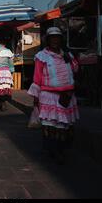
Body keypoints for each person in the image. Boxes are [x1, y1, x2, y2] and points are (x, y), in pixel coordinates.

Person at [28, 27, 79, 164]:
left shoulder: (67, 55)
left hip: (67, 96)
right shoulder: (41, 57)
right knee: (50, 126)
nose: (55, 40)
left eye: (57, 38)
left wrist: (70, 56)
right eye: (52, 38)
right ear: (48, 40)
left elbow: (75, 70)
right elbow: (37, 77)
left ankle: (61, 150)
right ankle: (53, 150)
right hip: (49, 96)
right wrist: (36, 99)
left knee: (64, 125)